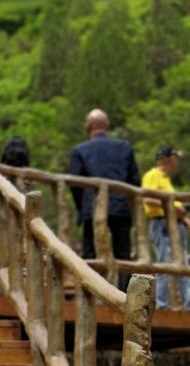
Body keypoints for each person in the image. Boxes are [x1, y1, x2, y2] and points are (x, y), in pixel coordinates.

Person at [68, 108, 140, 290]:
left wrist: (81, 209)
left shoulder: (80, 150)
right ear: (107, 126)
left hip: (91, 207)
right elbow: (135, 182)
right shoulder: (124, 148)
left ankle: (91, 292)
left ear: (87, 128)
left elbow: (75, 184)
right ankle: (124, 296)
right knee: (123, 253)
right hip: (120, 206)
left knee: (91, 253)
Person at [141, 145, 190, 309]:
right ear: (169, 158)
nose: (178, 161)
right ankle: (162, 305)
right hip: (161, 223)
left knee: (183, 263)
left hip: (175, 224)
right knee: (164, 262)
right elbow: (148, 199)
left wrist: (183, 218)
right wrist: (173, 208)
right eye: (176, 157)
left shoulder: (166, 179)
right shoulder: (152, 175)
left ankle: (188, 303)